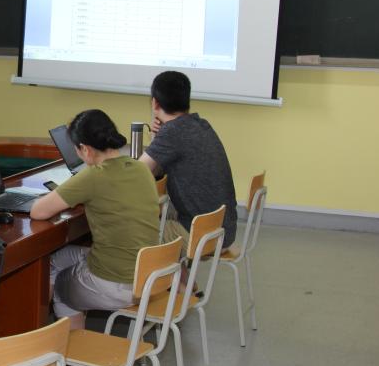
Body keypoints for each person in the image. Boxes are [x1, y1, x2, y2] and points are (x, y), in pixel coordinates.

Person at [30, 110, 159, 331]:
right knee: (56, 258)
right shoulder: (140, 168)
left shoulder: (93, 176)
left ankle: (65, 347)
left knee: (61, 289)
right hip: (148, 274)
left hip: (117, 283)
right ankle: (37, 327)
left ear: (86, 149)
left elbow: (38, 212)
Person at [139, 70, 238, 249]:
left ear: (155, 103)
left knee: (132, 232)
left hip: (200, 235)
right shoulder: (200, 124)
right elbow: (157, 166)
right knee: (160, 215)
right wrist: (158, 137)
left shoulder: (173, 132)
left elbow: (137, 172)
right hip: (223, 228)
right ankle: (179, 270)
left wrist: (159, 137)